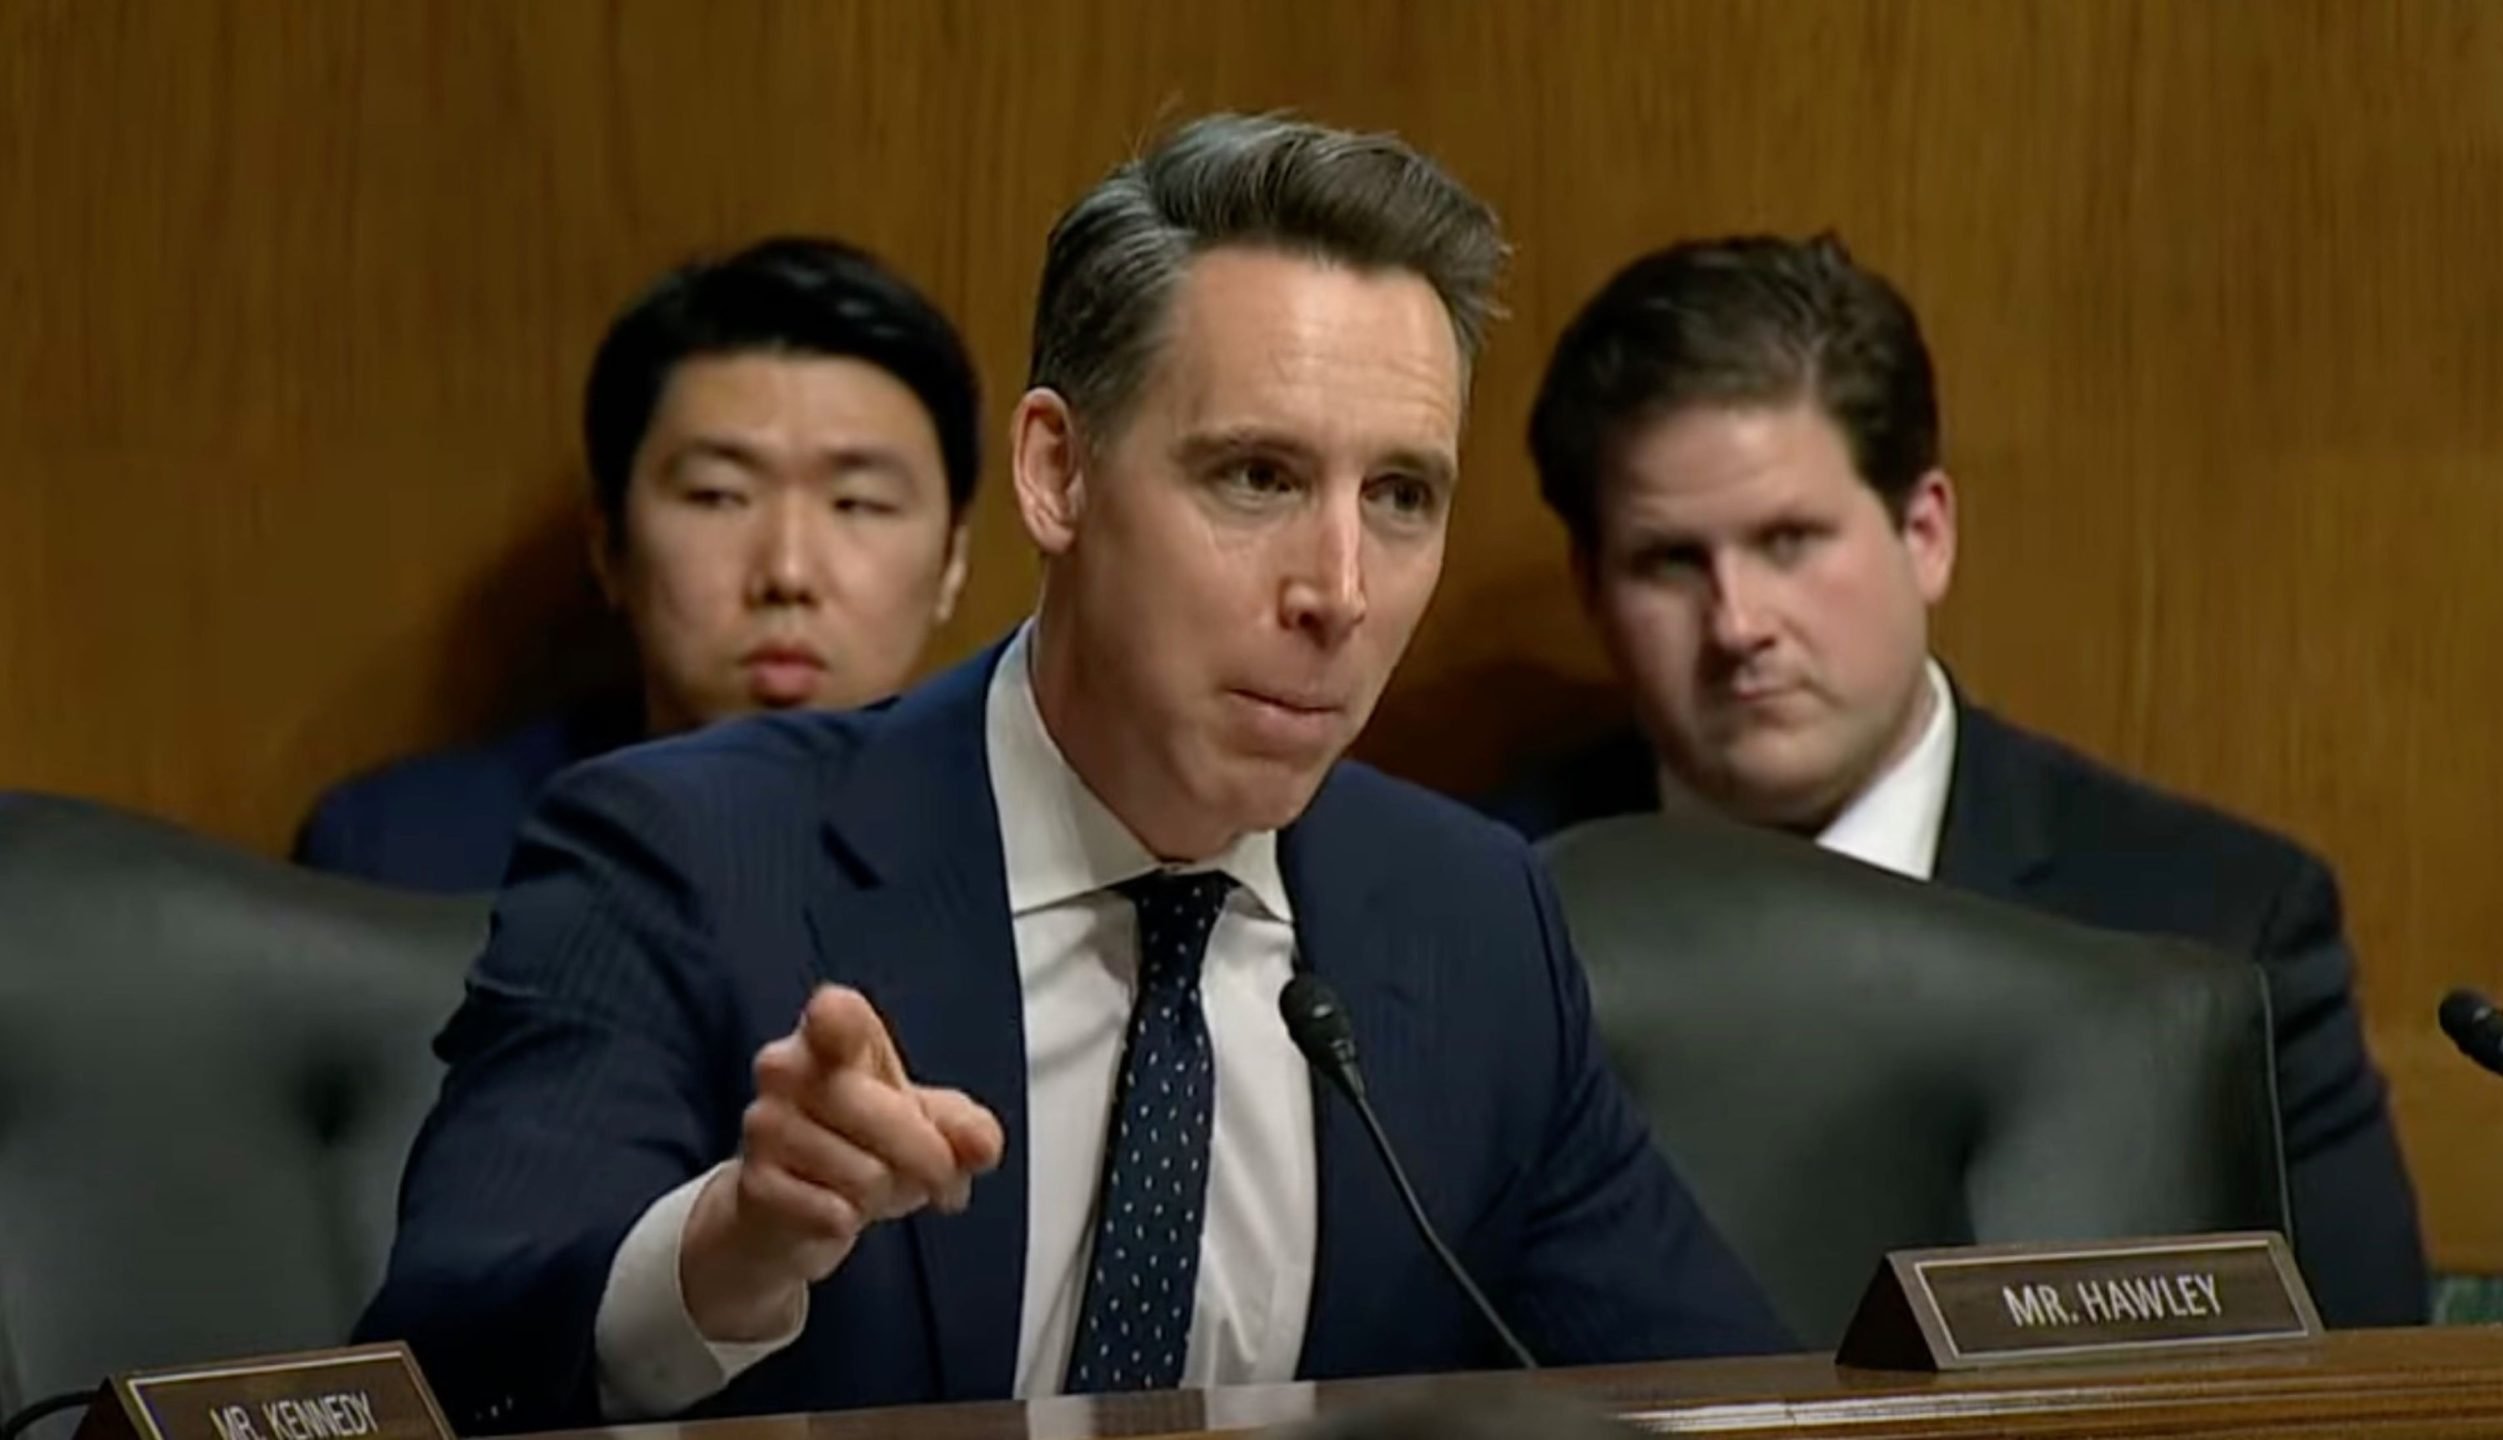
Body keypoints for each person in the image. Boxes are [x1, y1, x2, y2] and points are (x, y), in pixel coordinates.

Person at [355, 115, 1788, 1435]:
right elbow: (436, 1367)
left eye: (1401, 498)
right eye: (1258, 479)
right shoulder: (692, 854)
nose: (1340, 591)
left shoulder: (1468, 920)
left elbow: (1734, 1400)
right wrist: (727, 1255)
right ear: (1058, 475)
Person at [1488, 232, 2428, 1327]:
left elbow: (2363, 1382)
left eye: (1789, 540)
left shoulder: (2220, 926)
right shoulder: (1476, 910)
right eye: (1669, 562)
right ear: (1591, 588)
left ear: (1924, 533)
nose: (1738, 625)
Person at [292, 237, 978, 892]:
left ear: (951, 560)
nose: (788, 573)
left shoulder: (1036, 869)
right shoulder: (406, 854)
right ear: (610, 546)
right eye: (718, 495)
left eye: (858, 503)